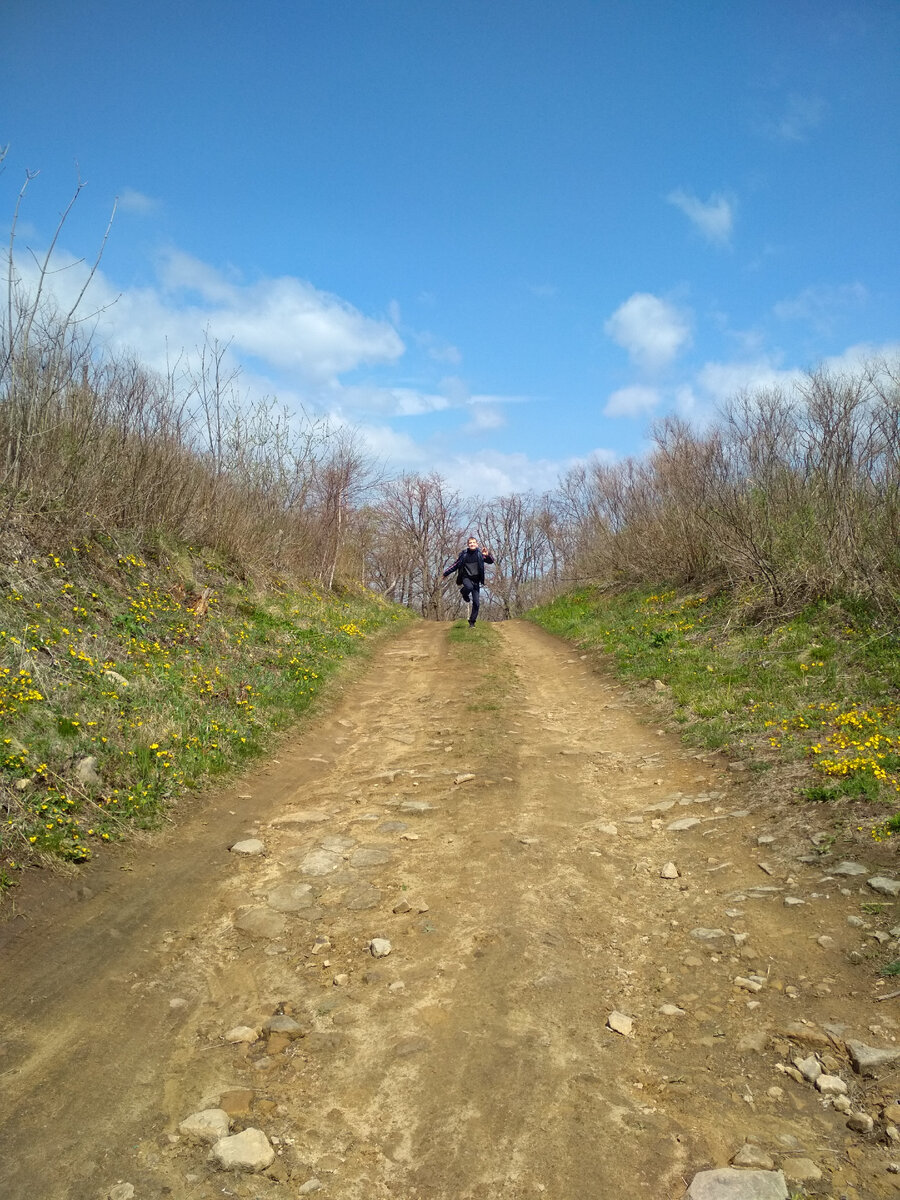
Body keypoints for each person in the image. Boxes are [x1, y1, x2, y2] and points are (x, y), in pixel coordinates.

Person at [443, 537, 495, 626]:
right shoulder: (464, 555)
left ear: (477, 544)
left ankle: (472, 622)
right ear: (468, 544)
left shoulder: (480, 554)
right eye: (470, 543)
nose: (472, 544)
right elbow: (455, 565)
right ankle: (464, 592)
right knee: (468, 587)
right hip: (466, 577)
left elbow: (491, 561)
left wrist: (487, 554)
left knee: (477, 603)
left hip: (476, 580)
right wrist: (445, 573)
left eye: (474, 542)